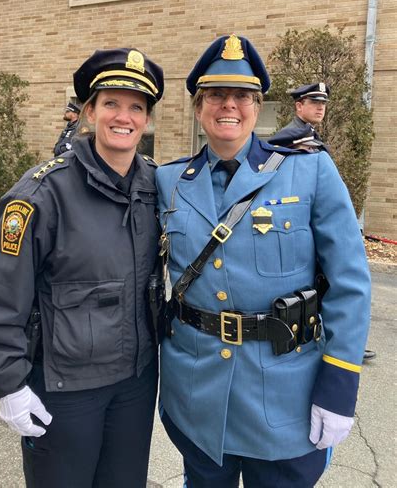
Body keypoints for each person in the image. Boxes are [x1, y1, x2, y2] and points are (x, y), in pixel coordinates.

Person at [156, 34, 371, 488]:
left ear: (257, 108)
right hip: (196, 392)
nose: (227, 105)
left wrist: (340, 384)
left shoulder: (310, 170)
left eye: (241, 96)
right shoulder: (169, 180)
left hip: (284, 395)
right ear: (199, 107)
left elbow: (349, 283)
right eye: (215, 95)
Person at [0, 48, 164, 488]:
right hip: (65, 387)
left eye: (136, 107)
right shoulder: (41, 194)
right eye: (110, 103)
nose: (123, 116)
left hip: (135, 382)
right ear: (89, 111)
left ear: (147, 120)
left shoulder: (154, 186)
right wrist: (8, 382)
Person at [268, 85, 376, 361]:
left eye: (323, 103)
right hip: (297, 222)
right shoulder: (287, 141)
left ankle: (341, 341)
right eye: (313, 102)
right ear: (298, 106)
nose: (320, 108)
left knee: (331, 282)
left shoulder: (312, 138)